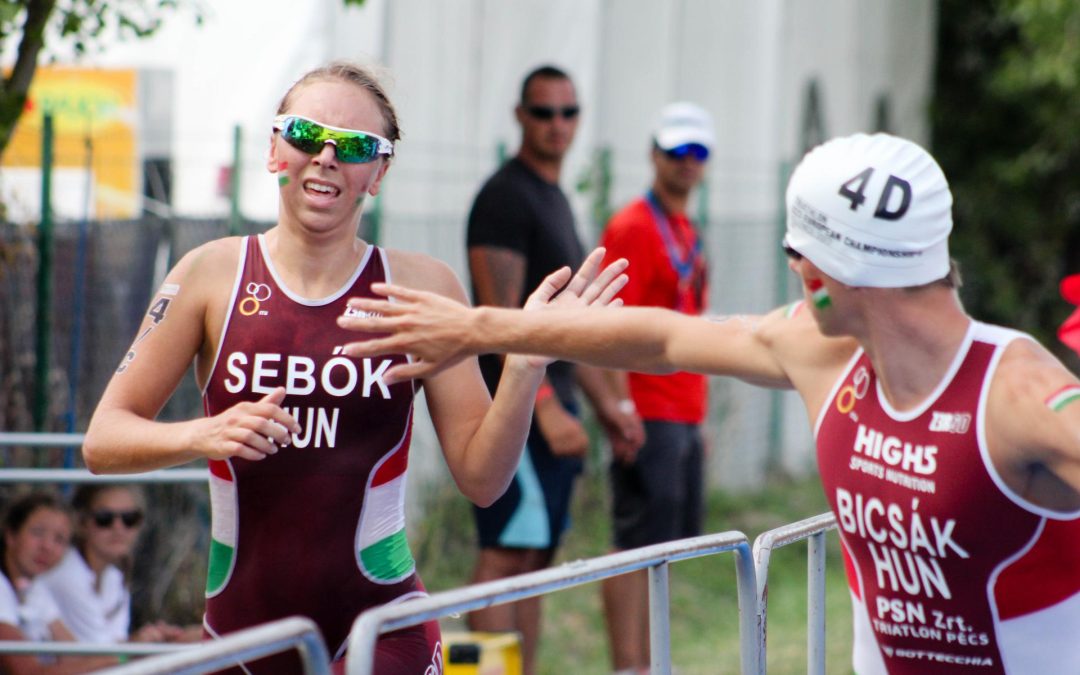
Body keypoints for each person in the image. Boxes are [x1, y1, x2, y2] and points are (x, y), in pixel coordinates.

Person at [339, 132, 1080, 674]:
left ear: (829, 268)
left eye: (795, 253)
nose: (791, 271)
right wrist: (481, 327)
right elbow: (663, 338)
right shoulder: (822, 350)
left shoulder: (1020, 396)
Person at [82, 60, 628, 674]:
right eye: (306, 134)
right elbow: (104, 440)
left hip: (380, 625)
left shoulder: (421, 286)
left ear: (379, 172)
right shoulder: (210, 274)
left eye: (356, 146)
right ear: (273, 150)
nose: (326, 157)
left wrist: (524, 366)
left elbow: (482, 479)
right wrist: (202, 433)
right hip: (240, 633)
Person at [464, 64, 643, 675]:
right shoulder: (505, 198)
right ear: (520, 116)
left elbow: (571, 329)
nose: (557, 125)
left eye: (568, 112)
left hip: (554, 409)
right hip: (511, 411)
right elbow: (503, 320)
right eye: (543, 112)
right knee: (502, 557)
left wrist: (608, 408)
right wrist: (543, 411)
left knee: (532, 560)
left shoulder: (554, 197)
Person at [596, 101, 713, 675]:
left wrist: (699, 420)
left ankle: (652, 664)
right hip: (647, 408)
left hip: (683, 412)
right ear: (653, 155)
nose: (686, 164)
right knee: (636, 544)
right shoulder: (633, 227)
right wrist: (620, 405)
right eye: (675, 152)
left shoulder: (686, 227)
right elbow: (610, 324)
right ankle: (630, 667)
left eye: (697, 153)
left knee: (665, 548)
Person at [36, 485, 198, 645]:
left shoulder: (113, 577)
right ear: (82, 523)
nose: (118, 528)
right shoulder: (67, 575)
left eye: (129, 519)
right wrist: (149, 641)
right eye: (104, 519)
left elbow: (115, 644)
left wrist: (160, 637)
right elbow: (101, 657)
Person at [0, 491, 119, 673]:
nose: (47, 546)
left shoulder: (34, 588)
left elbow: (75, 656)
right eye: (37, 533)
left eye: (59, 539)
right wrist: (122, 655)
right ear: (11, 535)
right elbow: (29, 673)